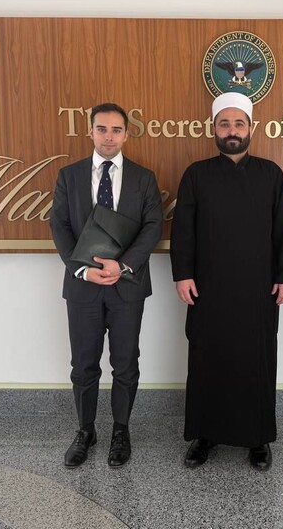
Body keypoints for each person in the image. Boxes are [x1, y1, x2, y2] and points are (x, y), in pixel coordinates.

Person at [170, 92, 283, 471]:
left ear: (251, 128)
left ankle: (258, 438)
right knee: (207, 359)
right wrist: (182, 274)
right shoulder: (196, 174)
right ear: (213, 129)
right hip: (207, 289)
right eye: (224, 123)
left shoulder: (271, 174)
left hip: (259, 290)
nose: (232, 130)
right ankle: (204, 435)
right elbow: (183, 231)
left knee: (256, 361)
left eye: (238, 123)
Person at [50, 103, 163, 469]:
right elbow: (59, 225)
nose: (109, 136)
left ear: (127, 134)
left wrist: (123, 265)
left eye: (116, 130)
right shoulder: (69, 176)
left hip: (127, 286)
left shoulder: (144, 178)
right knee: (83, 364)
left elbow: (153, 226)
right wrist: (82, 271)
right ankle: (85, 431)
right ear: (91, 131)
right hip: (83, 287)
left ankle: (120, 431)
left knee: (125, 363)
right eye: (102, 129)